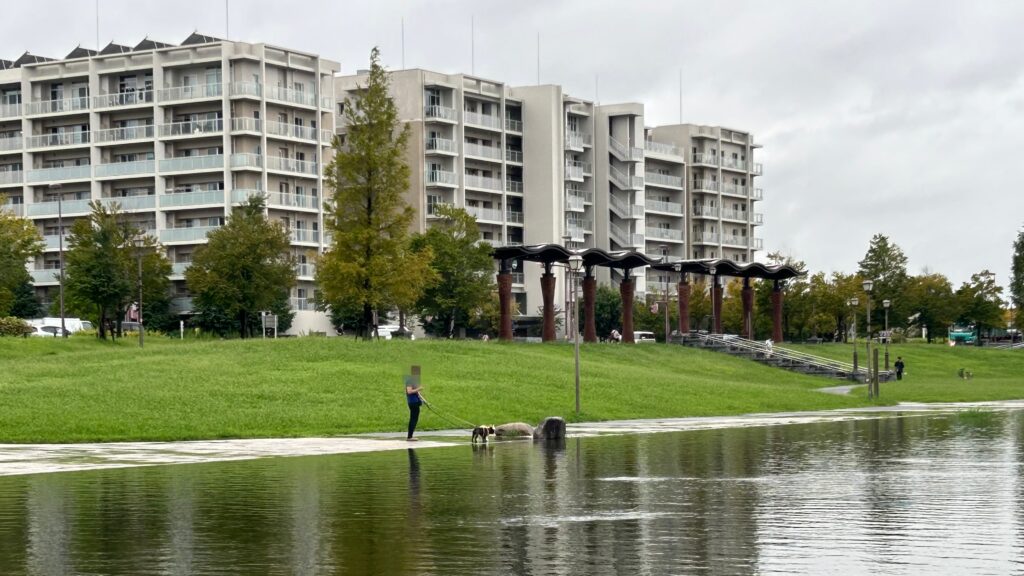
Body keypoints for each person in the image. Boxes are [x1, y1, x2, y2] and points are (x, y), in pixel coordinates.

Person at [405, 365, 425, 441]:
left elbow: (417, 393)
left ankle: (410, 436)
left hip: (416, 401)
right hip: (412, 402)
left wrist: (422, 399)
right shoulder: (410, 380)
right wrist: (419, 388)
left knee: (414, 419)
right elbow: (409, 391)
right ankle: (409, 437)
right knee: (413, 419)